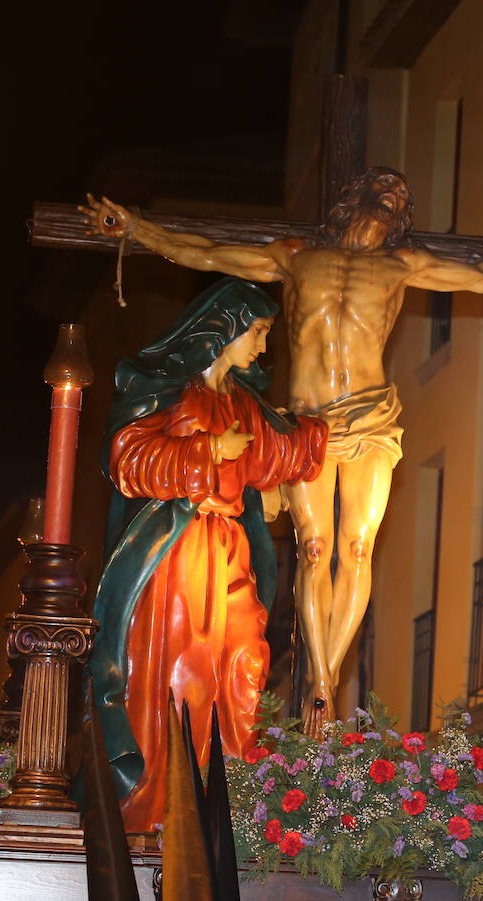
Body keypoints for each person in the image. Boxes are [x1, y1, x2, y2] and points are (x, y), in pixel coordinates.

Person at [81, 167, 483, 736]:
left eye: (401, 197)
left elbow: (481, 277)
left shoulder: (402, 266)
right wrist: (136, 231)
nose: (392, 199)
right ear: (354, 199)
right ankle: (323, 680)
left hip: (373, 415)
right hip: (310, 422)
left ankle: (326, 682)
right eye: (384, 189)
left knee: (357, 548)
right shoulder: (296, 257)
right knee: (313, 546)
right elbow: (208, 253)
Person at [89, 277, 328, 832]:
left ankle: (234, 797)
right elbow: (127, 457)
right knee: (184, 670)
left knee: (246, 661)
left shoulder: (244, 404)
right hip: (179, 552)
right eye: (259, 333)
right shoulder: (171, 392)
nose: (264, 348)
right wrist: (206, 450)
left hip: (230, 550)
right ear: (226, 329)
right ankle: (167, 807)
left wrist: (338, 424)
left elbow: (280, 454)